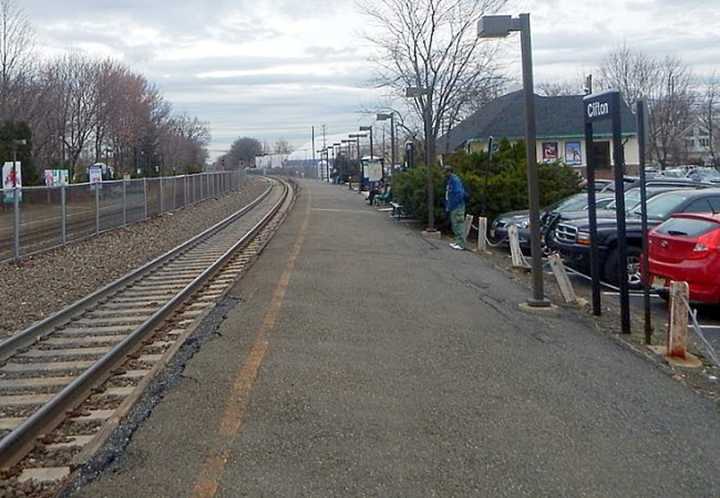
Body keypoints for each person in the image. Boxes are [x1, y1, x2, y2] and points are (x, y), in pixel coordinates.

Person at [445, 164, 468, 250]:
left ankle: (461, 243)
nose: (444, 174)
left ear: (449, 172)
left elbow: (459, 193)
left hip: (457, 206)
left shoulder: (455, 180)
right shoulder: (451, 180)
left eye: (446, 172)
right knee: (455, 224)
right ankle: (457, 241)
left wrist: (454, 204)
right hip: (453, 206)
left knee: (458, 224)